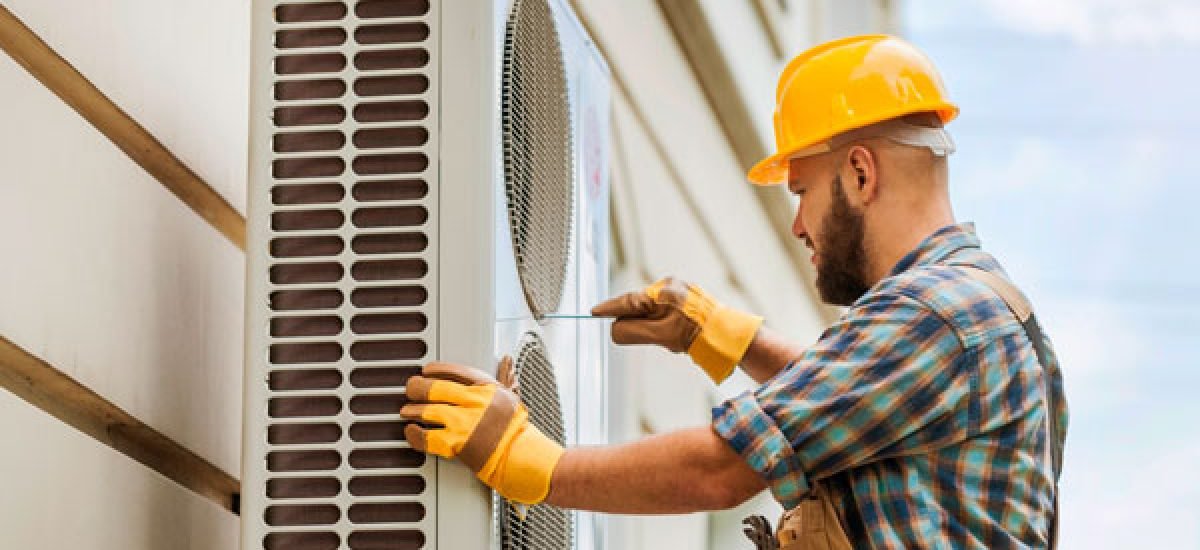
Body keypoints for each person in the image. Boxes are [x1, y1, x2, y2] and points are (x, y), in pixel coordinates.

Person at [401, 34, 1067, 549]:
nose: (799, 224)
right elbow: (857, 399)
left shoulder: (933, 313)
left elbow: (723, 469)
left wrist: (526, 461)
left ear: (861, 174)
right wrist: (716, 333)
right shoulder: (982, 310)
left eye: (801, 190)